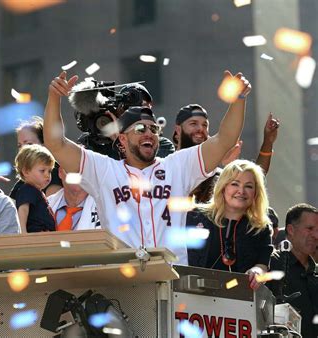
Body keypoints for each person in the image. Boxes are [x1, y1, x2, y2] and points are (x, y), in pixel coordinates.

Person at [43, 70, 251, 265]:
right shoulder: (104, 169)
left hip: (171, 276)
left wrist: (239, 100)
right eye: (140, 129)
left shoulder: (177, 166)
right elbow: (56, 144)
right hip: (123, 278)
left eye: (154, 129)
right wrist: (54, 97)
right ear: (122, 139)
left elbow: (225, 139)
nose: (149, 133)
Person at [187, 160, 274, 290]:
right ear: (223, 187)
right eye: (235, 184)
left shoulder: (261, 228)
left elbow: (263, 264)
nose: (241, 191)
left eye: (249, 186)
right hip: (193, 296)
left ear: (256, 193)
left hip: (240, 300)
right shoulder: (194, 217)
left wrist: (257, 272)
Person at [173, 104, 279, 203]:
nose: (201, 129)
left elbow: (255, 178)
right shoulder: (165, 168)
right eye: (193, 124)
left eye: (205, 125)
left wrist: (268, 142)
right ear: (178, 131)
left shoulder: (217, 176)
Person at [266, 203, 318, 338]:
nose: (316, 235)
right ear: (290, 229)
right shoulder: (271, 264)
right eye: (310, 228)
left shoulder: (315, 273)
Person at [9, 117, 62, 199]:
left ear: (44, 144)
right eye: (20, 145)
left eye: (29, 144)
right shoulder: (24, 179)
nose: (23, 149)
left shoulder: (54, 172)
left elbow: (53, 208)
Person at [13, 144, 56, 233]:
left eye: (49, 171)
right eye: (42, 171)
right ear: (26, 171)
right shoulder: (27, 190)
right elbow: (23, 211)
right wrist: (23, 235)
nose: (47, 175)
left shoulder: (37, 192)